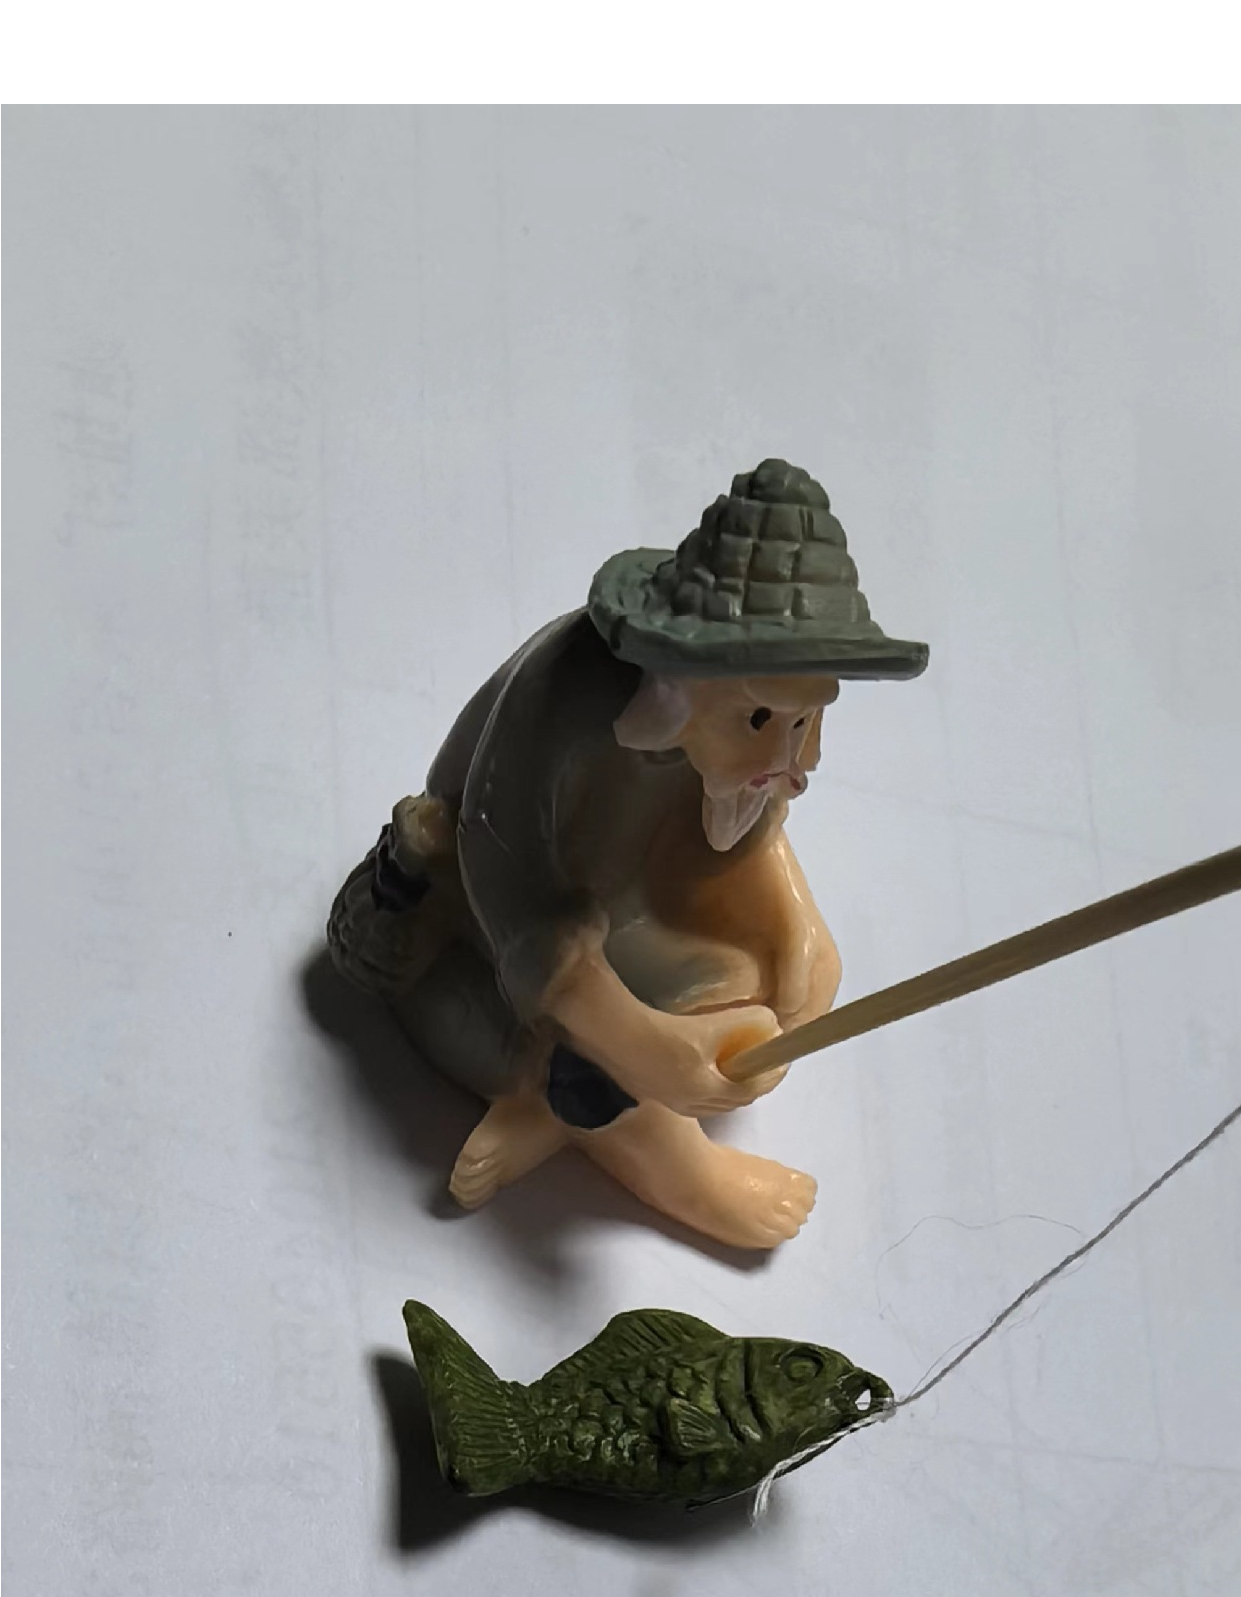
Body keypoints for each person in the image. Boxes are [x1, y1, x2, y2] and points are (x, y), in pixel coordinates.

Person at [327, 458, 927, 1248]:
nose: (795, 757)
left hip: (625, 906)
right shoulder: (561, 707)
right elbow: (522, 910)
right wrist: (642, 1046)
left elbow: (749, 827)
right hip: (484, 924)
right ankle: (666, 1162)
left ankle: (561, 1116)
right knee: (584, 1057)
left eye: (808, 721)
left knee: (767, 980)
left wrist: (797, 930)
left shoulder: (725, 732)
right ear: (677, 690)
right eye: (761, 721)